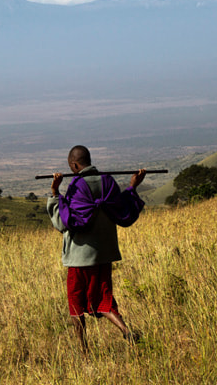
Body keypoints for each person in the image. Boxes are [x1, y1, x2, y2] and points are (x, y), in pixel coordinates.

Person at [46, 145, 146, 353]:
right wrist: (133, 187)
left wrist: (55, 192)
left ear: (74, 165)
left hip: (79, 259)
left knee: (76, 306)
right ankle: (126, 331)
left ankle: (84, 351)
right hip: (104, 255)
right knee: (104, 298)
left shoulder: (76, 186)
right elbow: (122, 208)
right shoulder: (108, 182)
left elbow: (64, 223)